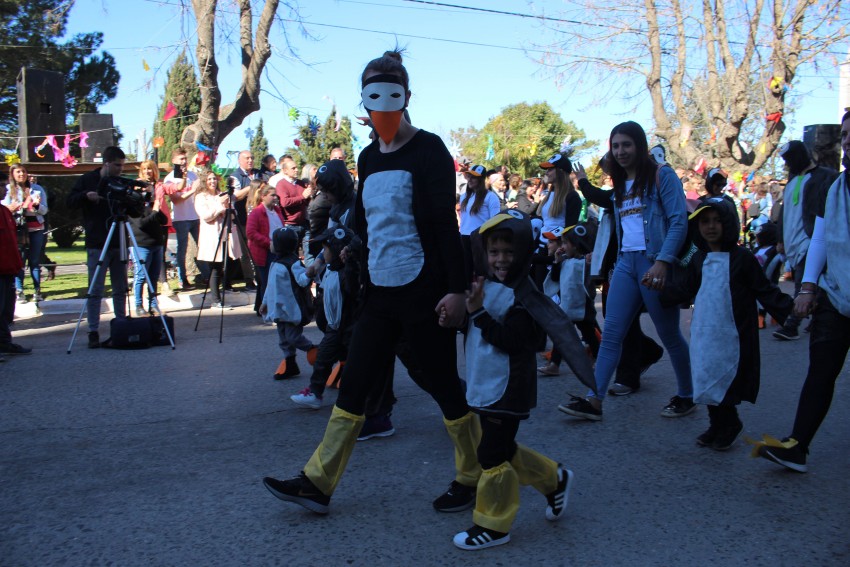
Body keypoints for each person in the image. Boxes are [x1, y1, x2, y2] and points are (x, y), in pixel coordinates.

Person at [263, 49, 480, 517]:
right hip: (380, 294)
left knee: (442, 385)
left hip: (426, 291)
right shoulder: (367, 156)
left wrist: (458, 291)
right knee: (356, 383)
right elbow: (368, 221)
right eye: (372, 92)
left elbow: (444, 224)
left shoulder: (430, 149)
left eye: (389, 90)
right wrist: (340, 250)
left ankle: (476, 473)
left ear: (404, 96)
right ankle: (317, 484)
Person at [451, 213, 572, 550]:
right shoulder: (486, 284)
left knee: (491, 455)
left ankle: (494, 524)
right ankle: (554, 479)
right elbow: (475, 329)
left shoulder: (524, 295)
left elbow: (514, 340)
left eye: (508, 251)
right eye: (494, 252)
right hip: (486, 382)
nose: (501, 259)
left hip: (508, 388)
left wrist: (477, 313)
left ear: (522, 253)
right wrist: (459, 317)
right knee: (500, 447)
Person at [562, 121, 692, 420]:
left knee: (669, 334)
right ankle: (594, 400)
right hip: (626, 265)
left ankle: (687, 394)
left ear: (640, 146)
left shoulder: (663, 175)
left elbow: (678, 221)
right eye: (616, 146)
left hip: (654, 263)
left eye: (626, 145)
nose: (620, 151)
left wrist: (662, 262)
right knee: (611, 336)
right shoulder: (620, 185)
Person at [752, 111, 850, 473]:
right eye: (845, 134)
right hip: (835, 294)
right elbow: (822, 236)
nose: (848, 138)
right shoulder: (835, 186)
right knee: (821, 371)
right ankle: (797, 446)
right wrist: (807, 287)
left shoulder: (821, 179)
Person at [663, 197, 792, 450]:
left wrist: (792, 311)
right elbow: (685, 288)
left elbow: (764, 289)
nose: (711, 227)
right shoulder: (698, 258)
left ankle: (730, 423)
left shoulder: (742, 258)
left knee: (726, 377)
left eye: (717, 221)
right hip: (704, 330)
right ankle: (715, 424)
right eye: (705, 222)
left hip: (733, 331)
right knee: (707, 374)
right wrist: (662, 290)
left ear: (728, 223)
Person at [67, 146, 134, 349]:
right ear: (106, 163)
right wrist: (86, 196)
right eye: (117, 165)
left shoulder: (121, 182)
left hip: (119, 241)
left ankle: (120, 326)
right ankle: (93, 331)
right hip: (97, 243)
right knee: (95, 290)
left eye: (123, 166)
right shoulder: (87, 180)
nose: (120, 170)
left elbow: (133, 209)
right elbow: (70, 201)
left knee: (120, 288)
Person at [772, 140, 838, 341]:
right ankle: (817, 318)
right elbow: (785, 212)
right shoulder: (792, 180)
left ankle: (792, 325)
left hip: (811, 241)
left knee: (803, 284)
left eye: (789, 160)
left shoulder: (827, 177)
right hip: (792, 241)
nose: (787, 165)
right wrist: (780, 237)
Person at [291, 226, 358, 408]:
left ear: (336, 250)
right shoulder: (330, 269)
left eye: (326, 249)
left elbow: (353, 297)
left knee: (356, 366)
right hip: (334, 327)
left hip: (349, 328)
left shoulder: (348, 273)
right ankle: (315, 392)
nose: (323, 253)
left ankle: (363, 400)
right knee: (322, 360)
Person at [538, 223, 600, 376]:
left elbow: (591, 281)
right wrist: (557, 261)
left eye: (566, 243)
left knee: (590, 335)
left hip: (583, 308)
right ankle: (554, 364)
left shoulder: (585, 261)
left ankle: (600, 359)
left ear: (576, 245)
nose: (563, 246)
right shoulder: (564, 261)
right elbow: (554, 278)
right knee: (562, 335)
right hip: (567, 306)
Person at [259, 227, 316, 378]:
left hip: (291, 309)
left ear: (280, 245)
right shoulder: (275, 263)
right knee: (284, 340)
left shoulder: (293, 263)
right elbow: (270, 287)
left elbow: (303, 281)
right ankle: (290, 364)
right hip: (279, 310)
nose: (270, 243)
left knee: (293, 337)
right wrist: (265, 303)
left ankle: (313, 349)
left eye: (273, 241)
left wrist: (310, 273)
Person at [194, 169, 242, 309]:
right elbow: (206, 215)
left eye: (214, 179)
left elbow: (233, 214)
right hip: (212, 235)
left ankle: (226, 285)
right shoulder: (201, 197)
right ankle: (215, 300)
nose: (212, 181)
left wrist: (227, 206)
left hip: (227, 232)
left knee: (234, 261)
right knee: (215, 267)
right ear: (204, 181)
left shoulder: (221, 195)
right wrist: (219, 206)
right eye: (209, 179)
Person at [2, 164, 48, 303]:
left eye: (23, 171)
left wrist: (36, 206)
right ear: (12, 174)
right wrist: (14, 208)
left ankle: (37, 291)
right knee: (20, 261)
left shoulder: (37, 189)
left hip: (36, 229)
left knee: (35, 261)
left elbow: (44, 210)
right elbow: (4, 209)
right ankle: (19, 291)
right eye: (18, 172)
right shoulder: (9, 190)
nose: (21, 174)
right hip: (18, 230)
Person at [129, 160, 169, 317]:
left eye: (149, 190)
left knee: (153, 277)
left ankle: (153, 305)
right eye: (143, 189)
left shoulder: (153, 204)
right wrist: (154, 212)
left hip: (156, 243)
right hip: (141, 244)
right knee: (140, 276)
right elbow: (142, 224)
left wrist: (157, 208)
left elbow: (164, 221)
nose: (147, 192)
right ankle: (139, 305)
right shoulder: (134, 207)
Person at [0, 171, 32, 360]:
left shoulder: (5, 211)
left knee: (6, 309)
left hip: (9, 268)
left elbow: (12, 242)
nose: (5, 189)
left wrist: (17, 265)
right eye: (2, 185)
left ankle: (5, 342)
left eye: (5, 185)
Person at [163, 148, 202, 290]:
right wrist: (192, 189)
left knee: (202, 247)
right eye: (180, 159)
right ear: (174, 161)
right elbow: (177, 200)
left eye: (185, 159)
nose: (184, 162)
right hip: (181, 218)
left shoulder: (192, 175)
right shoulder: (170, 178)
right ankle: (182, 279)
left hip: (195, 216)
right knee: (182, 250)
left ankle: (205, 275)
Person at [246, 183, 285, 315]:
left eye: (276, 195)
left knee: (271, 281)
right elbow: (250, 232)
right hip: (264, 252)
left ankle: (260, 307)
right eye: (272, 195)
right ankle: (267, 311)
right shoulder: (257, 212)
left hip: (277, 250)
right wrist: (268, 243)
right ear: (263, 196)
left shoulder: (277, 211)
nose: (275, 198)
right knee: (267, 282)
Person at [459, 164, 501, 282]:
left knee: (481, 272)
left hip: (481, 237)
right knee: (466, 271)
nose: (470, 180)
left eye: (474, 177)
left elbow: (495, 220)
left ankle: (483, 296)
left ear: (481, 179)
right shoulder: (464, 197)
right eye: (469, 176)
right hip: (464, 236)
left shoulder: (490, 197)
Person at [274, 156, 312, 247]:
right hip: (290, 225)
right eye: (293, 168)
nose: (296, 170)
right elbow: (285, 202)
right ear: (285, 170)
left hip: (304, 224)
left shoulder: (300, 183)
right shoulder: (281, 184)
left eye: (296, 167)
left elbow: (305, 201)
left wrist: (310, 195)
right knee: (292, 252)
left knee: (309, 252)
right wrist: (302, 196)